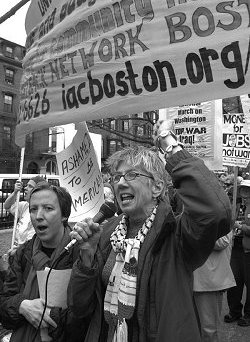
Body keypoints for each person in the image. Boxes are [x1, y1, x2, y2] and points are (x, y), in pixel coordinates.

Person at [68, 120, 231, 342]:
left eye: (132, 175)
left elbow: (215, 211)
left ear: (157, 188)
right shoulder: (107, 233)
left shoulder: (176, 233)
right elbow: (80, 307)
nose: (121, 183)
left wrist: (170, 145)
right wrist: (86, 257)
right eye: (117, 177)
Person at [0, 183, 87, 342]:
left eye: (48, 208)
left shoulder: (82, 254)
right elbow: (4, 305)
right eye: (33, 209)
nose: (38, 215)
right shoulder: (22, 254)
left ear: (64, 215)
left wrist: (49, 318)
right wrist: (22, 306)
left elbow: (85, 318)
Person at [193, 232, 236, 341]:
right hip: (191, 278)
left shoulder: (221, 215)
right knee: (194, 327)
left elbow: (223, 242)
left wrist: (193, 232)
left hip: (209, 281)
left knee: (209, 329)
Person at [224, 179, 250, 327]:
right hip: (235, 248)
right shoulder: (236, 206)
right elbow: (228, 223)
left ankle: (248, 314)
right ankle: (234, 311)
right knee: (234, 282)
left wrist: (243, 227)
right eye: (243, 190)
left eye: (247, 190)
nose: (245, 193)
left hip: (248, 250)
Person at [4, 176, 47, 254]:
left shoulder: (41, 215)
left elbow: (31, 243)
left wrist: (16, 251)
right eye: (26, 185)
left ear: (37, 191)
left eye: (30, 186)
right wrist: (15, 192)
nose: (25, 188)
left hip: (25, 257)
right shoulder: (25, 206)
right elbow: (7, 206)